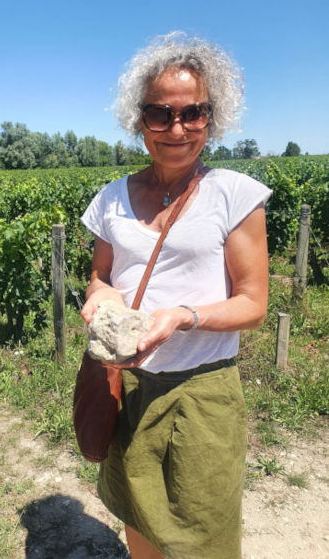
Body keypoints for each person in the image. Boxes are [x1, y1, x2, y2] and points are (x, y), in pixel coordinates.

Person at [80, 32, 272, 559]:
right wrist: (100, 300)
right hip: (132, 387)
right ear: (138, 119)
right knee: (139, 516)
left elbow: (253, 304)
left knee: (203, 532)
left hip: (203, 393)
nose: (177, 128)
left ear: (213, 117)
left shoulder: (235, 195)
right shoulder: (111, 199)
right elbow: (100, 276)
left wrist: (181, 317)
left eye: (194, 113)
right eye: (160, 114)